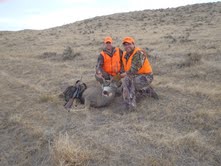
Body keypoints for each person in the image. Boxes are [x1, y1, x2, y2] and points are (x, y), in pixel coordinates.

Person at [120, 36, 158, 110]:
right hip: (135, 76)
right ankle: (147, 91)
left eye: (129, 44)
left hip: (146, 76)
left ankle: (130, 106)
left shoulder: (139, 53)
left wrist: (121, 76)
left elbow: (134, 69)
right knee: (124, 87)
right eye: (125, 45)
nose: (127, 46)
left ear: (133, 44)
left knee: (127, 82)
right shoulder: (125, 54)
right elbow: (123, 67)